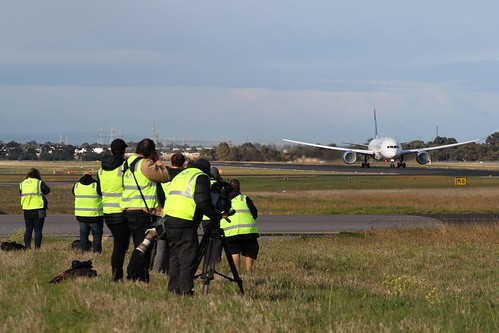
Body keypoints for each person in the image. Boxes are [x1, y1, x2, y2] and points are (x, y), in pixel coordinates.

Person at [163, 158, 223, 295]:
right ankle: (185, 289)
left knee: (175, 256)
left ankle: (173, 288)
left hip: (169, 218)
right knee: (188, 257)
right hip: (186, 220)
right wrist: (213, 214)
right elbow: (201, 200)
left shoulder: (181, 175)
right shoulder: (200, 176)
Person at [120, 138, 169, 282]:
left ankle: (138, 274)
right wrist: (158, 160)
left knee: (139, 244)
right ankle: (136, 274)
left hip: (128, 208)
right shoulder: (146, 164)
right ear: (150, 152)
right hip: (143, 210)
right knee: (144, 246)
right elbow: (164, 176)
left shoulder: (128, 162)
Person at [97, 138, 130, 281]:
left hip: (107, 212)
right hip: (122, 211)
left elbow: (99, 190)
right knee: (120, 247)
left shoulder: (101, 170)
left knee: (119, 245)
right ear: (124, 152)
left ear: (110, 151)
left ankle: (116, 274)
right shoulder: (125, 167)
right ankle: (117, 276)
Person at [151, 152, 186, 274]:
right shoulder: (185, 176)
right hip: (181, 212)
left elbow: (159, 194)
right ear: (184, 164)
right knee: (179, 246)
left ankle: (159, 270)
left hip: (164, 212)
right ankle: (176, 270)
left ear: (171, 163)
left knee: (161, 246)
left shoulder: (164, 176)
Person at [220, 179, 259, 273]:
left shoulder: (224, 201)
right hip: (248, 231)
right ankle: (249, 271)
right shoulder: (245, 198)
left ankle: (236, 273)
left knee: (234, 251)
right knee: (250, 251)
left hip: (230, 232)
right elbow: (254, 213)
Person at [19, 168, 50, 249]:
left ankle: (27, 247)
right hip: (38, 208)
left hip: (27, 209)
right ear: (37, 175)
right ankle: (37, 248)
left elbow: (20, 193)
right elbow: (47, 190)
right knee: (38, 230)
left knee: (28, 229)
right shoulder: (39, 183)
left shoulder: (22, 183)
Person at [73, 172, 104, 253]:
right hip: (95, 215)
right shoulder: (96, 185)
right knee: (97, 235)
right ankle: (96, 251)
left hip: (81, 216)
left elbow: (73, 193)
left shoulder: (76, 185)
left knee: (83, 234)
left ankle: (84, 250)